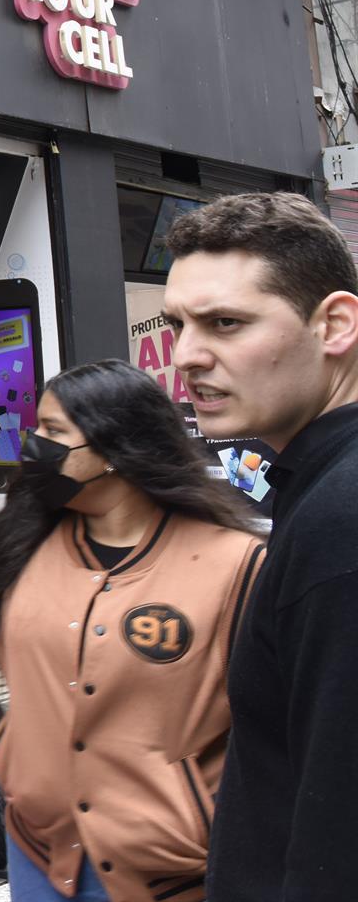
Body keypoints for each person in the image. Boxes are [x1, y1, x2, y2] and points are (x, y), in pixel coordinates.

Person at [0, 360, 262, 902]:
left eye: (54, 431)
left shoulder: (235, 564)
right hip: (36, 846)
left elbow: (269, 726)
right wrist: (16, 758)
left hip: (166, 868)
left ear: (116, 448)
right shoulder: (19, 545)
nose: (34, 445)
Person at [162, 192, 358, 901]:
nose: (186, 356)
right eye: (177, 324)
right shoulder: (321, 486)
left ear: (334, 324)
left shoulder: (342, 520)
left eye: (225, 323)